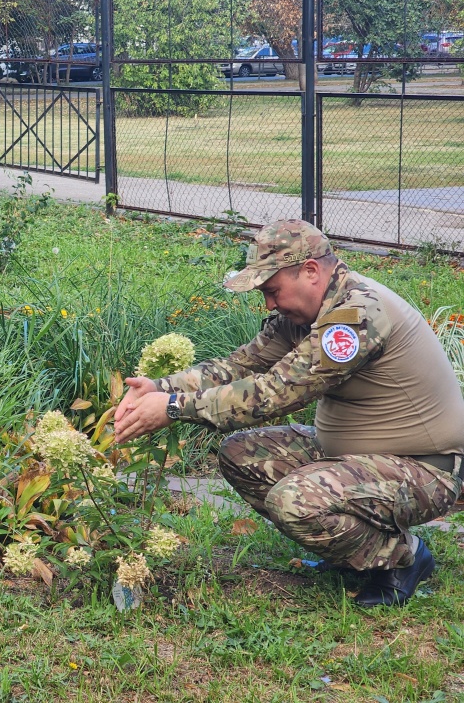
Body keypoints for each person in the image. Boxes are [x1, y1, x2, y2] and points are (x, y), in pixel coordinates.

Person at [113, 219, 464, 607]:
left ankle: (404, 557)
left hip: (424, 470)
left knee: (294, 500)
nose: (268, 303)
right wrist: (163, 387)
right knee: (240, 454)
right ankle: (355, 550)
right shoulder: (308, 313)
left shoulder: (357, 316)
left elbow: (277, 392)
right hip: (354, 457)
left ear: (310, 271)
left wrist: (175, 408)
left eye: (272, 290)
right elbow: (240, 365)